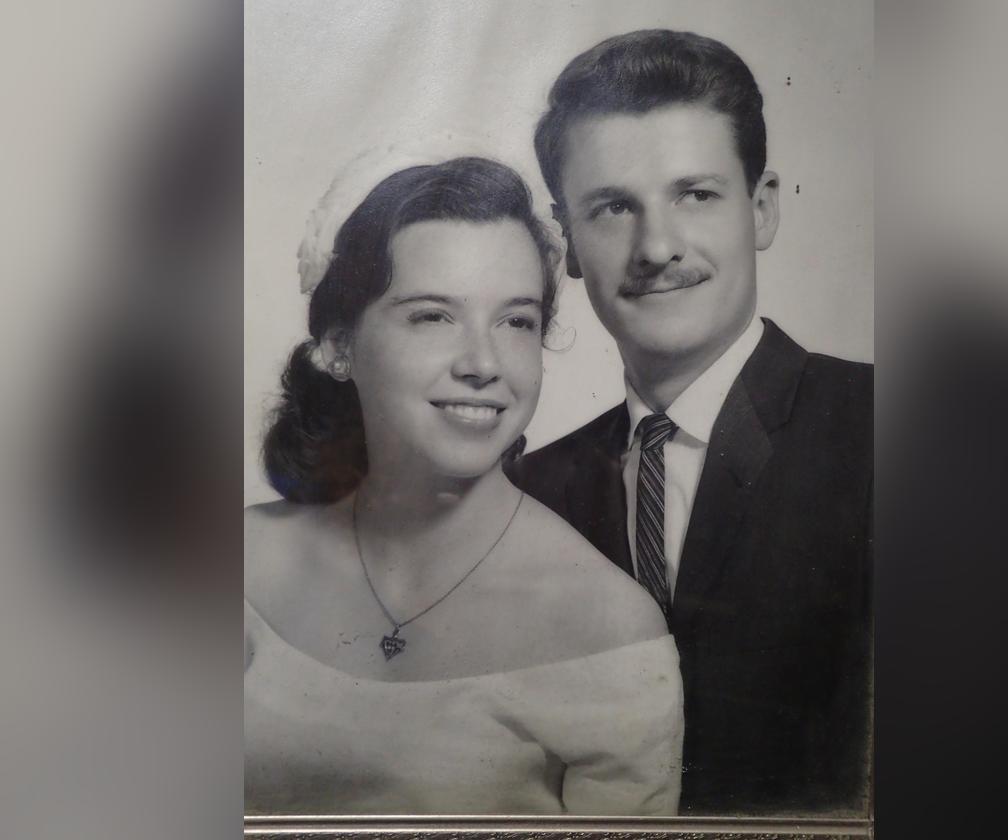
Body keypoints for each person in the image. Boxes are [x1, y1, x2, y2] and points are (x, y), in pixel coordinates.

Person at [244, 156, 683, 815]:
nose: (483, 364)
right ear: (338, 348)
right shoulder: (239, 561)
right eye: (433, 317)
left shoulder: (609, 627)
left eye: (516, 321)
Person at [509, 31, 872, 815]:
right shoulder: (526, 494)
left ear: (761, 208)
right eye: (612, 207)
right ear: (566, 242)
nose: (657, 247)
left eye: (695, 195)